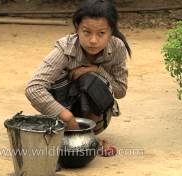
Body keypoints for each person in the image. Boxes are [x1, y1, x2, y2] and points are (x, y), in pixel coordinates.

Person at [25, 0, 131, 156]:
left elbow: (121, 91)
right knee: (57, 76)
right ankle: (70, 137)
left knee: (90, 79)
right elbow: (33, 88)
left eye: (101, 33)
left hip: (97, 120)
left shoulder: (117, 47)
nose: (93, 40)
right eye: (86, 32)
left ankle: (88, 137)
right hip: (60, 118)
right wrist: (67, 117)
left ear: (111, 32)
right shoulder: (65, 48)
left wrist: (97, 70)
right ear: (77, 28)